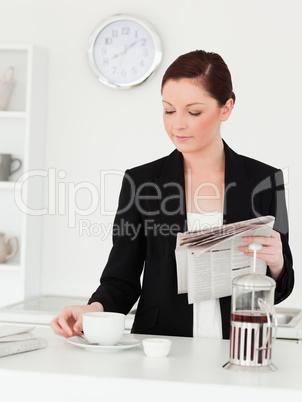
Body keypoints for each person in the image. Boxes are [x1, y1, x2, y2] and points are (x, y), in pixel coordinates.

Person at [50, 50, 294, 340]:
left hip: (241, 345)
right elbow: (121, 279)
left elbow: (280, 289)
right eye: (168, 110)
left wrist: (277, 264)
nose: (177, 124)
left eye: (193, 112)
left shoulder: (265, 181)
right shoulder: (141, 182)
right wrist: (93, 308)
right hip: (161, 345)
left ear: (226, 108)